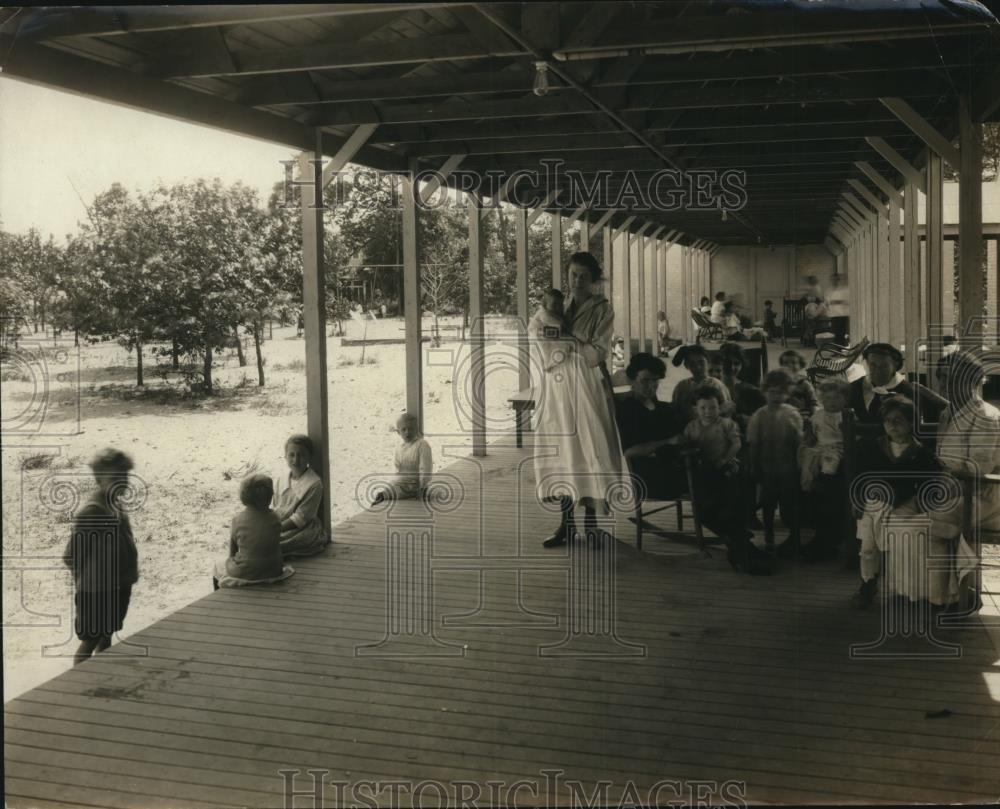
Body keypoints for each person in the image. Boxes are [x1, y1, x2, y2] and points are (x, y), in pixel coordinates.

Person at [536, 252, 625, 548]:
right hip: (558, 385)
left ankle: (591, 524)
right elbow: (539, 336)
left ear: (594, 279)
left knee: (588, 447)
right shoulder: (556, 305)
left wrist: (567, 338)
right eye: (573, 275)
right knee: (562, 450)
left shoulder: (602, 309)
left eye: (584, 276)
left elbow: (596, 353)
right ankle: (566, 524)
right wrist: (554, 336)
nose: (578, 281)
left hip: (585, 384)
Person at [851, 396, 946, 609]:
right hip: (873, 503)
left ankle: (901, 590)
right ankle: (867, 584)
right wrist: (858, 500)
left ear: (912, 423)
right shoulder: (872, 448)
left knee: (900, 546)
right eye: (888, 420)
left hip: (903, 504)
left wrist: (916, 502)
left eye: (899, 420)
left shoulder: (921, 454)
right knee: (868, 547)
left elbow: (927, 484)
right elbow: (860, 476)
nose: (892, 425)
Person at [931, 350, 997, 610]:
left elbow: (979, 468)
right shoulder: (949, 412)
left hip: (985, 494)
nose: (946, 385)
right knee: (903, 512)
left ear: (974, 381)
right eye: (942, 378)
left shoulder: (986, 417)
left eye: (954, 379)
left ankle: (955, 598)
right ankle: (933, 593)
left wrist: (947, 483)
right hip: (955, 489)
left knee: (937, 523)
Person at [63, 448, 139, 666]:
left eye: (124, 476)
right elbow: (71, 555)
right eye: (115, 478)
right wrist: (88, 581)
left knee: (107, 634)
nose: (121, 482)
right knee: (91, 640)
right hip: (97, 590)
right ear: (98, 478)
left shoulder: (115, 504)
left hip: (117, 585)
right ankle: (79, 681)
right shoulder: (93, 511)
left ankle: (100, 676)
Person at [683, 385, 767, 572]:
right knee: (710, 502)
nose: (708, 412)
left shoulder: (726, 424)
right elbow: (688, 448)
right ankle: (738, 539)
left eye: (713, 407)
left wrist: (724, 459)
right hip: (704, 471)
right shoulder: (691, 427)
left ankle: (737, 536)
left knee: (733, 493)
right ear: (695, 409)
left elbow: (736, 443)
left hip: (725, 465)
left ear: (719, 407)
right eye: (703, 408)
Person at [615, 353, 686, 501]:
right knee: (709, 482)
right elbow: (629, 452)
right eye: (645, 380)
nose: (651, 386)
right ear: (632, 381)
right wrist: (667, 442)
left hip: (672, 468)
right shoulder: (628, 410)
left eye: (655, 381)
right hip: (650, 478)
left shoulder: (662, 408)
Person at [748, 370, 804, 557]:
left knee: (791, 505)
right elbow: (754, 444)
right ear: (764, 392)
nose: (776, 396)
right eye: (772, 392)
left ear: (787, 393)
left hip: (788, 468)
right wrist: (754, 467)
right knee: (768, 505)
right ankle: (769, 538)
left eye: (780, 392)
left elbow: (799, 442)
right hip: (767, 468)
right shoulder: (759, 416)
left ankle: (795, 538)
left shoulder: (793, 414)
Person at [799, 377, 851, 561]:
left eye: (836, 398)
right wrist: (808, 436)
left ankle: (827, 541)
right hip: (819, 449)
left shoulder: (845, 416)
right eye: (827, 399)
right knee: (806, 460)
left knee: (829, 469)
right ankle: (809, 481)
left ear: (845, 399)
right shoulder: (819, 415)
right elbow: (811, 433)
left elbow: (850, 438)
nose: (831, 402)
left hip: (837, 450)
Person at [213, 473, 293, 589]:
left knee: (218, 567)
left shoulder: (238, 520)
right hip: (273, 569)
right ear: (270, 496)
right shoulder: (275, 518)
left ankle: (219, 596)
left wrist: (231, 561)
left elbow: (233, 550)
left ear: (244, 497)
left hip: (248, 572)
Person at [848, 343, 946, 427]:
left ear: (895, 366)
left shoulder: (910, 392)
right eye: (873, 365)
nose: (878, 371)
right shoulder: (854, 388)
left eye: (884, 366)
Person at [273, 434, 330, 558]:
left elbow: (301, 518)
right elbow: (275, 507)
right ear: (285, 456)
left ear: (309, 457)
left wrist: (275, 530)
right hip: (281, 524)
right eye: (291, 455)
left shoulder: (314, 483)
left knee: (271, 545)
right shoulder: (280, 480)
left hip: (301, 528)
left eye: (301, 455)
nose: (296, 460)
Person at [372, 412, 433, 504]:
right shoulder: (400, 448)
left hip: (415, 484)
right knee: (383, 493)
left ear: (417, 429)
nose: (407, 432)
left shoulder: (422, 445)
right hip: (401, 483)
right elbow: (398, 469)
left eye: (411, 429)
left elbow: (425, 467)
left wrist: (423, 486)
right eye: (403, 429)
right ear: (398, 432)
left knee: (384, 496)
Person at [671, 344, 730, 425]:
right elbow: (676, 410)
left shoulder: (717, 385)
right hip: (687, 429)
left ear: (708, 363)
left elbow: (726, 411)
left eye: (701, 363)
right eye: (692, 364)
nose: (698, 367)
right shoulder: (681, 386)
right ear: (686, 366)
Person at [529, 288, 569, 372]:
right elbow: (559, 325)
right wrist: (564, 324)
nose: (557, 307)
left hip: (547, 333)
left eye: (560, 305)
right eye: (554, 305)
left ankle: (549, 363)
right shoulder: (544, 314)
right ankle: (547, 364)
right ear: (545, 304)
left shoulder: (551, 312)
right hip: (540, 335)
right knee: (546, 350)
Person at [779, 349, 818, 418]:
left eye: (794, 362)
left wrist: (814, 416)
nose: (789, 365)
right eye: (786, 363)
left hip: (801, 415)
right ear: (781, 365)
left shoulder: (805, 384)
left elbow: (813, 402)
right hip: (783, 416)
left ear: (801, 365)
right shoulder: (779, 383)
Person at [826, 274, 850, 346]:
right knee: (836, 333)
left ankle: (841, 348)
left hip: (842, 315)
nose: (834, 282)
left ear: (838, 280)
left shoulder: (844, 290)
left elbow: (847, 301)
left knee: (841, 333)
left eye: (836, 280)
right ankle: (837, 348)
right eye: (833, 280)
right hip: (834, 314)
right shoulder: (830, 290)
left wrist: (836, 302)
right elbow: (827, 301)